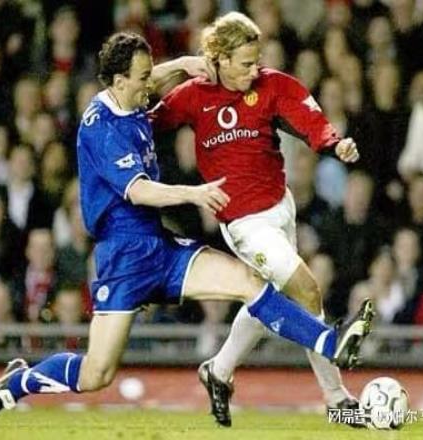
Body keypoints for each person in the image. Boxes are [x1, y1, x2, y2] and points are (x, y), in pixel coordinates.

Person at [0, 32, 374, 423]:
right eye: (143, 78)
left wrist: (184, 64)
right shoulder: (102, 128)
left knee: (250, 283)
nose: (151, 86)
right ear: (120, 81)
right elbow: (139, 191)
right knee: (96, 374)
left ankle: (331, 343)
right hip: (123, 257)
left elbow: (151, 79)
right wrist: (194, 194)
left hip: (160, 246)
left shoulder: (129, 96)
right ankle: (19, 381)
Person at [150, 12, 371, 427]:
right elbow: (143, 113)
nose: (254, 71)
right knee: (307, 291)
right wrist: (177, 65)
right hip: (244, 223)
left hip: (280, 206)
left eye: (257, 61)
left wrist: (335, 144)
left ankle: (217, 370)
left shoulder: (273, 85)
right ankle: (337, 398)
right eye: (245, 63)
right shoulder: (193, 95)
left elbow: (311, 121)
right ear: (219, 58)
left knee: (267, 297)